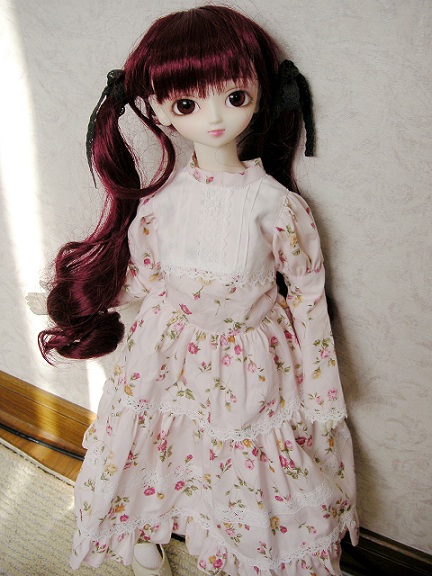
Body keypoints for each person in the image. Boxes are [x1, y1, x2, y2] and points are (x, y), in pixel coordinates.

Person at [37, 5, 358, 575]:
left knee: (244, 459)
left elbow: (307, 293)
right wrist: (92, 298)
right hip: (170, 349)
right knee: (158, 442)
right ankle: (144, 528)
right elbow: (147, 277)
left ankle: (233, 544)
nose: (213, 117)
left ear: (259, 95)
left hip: (251, 360)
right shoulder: (161, 203)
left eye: (233, 96)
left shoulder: (276, 206)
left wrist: (319, 383)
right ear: (160, 110)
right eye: (187, 104)